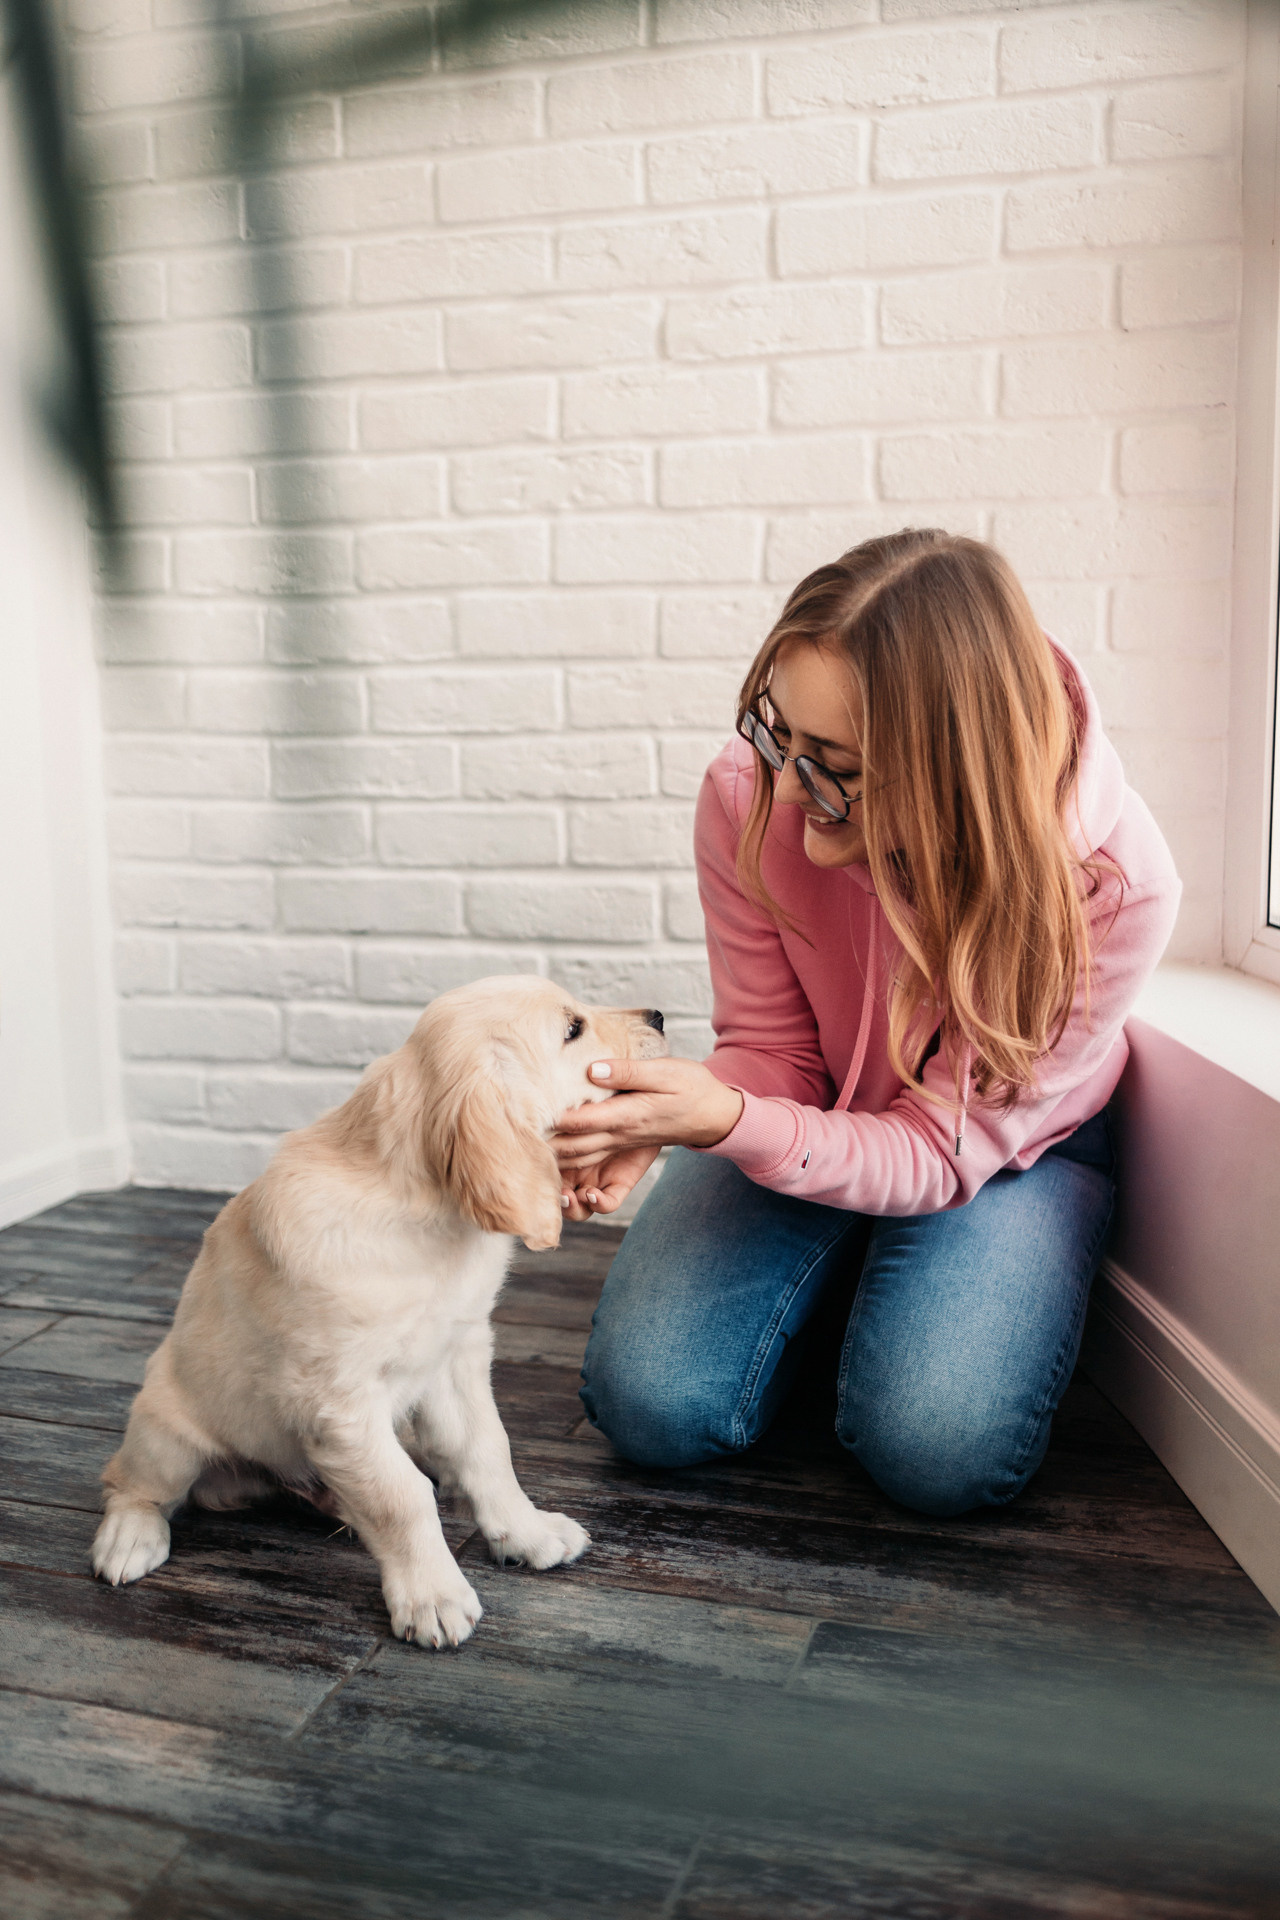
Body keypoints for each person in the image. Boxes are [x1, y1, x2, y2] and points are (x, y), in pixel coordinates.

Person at [552, 529, 1180, 1517]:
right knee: (648, 1408)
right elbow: (774, 1048)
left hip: (993, 1156)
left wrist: (727, 1128)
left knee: (934, 1453)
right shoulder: (745, 791)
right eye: (780, 736)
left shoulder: (1112, 890)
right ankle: (839, 1269)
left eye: (833, 765)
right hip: (818, 1107)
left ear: (949, 773)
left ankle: (860, 1282)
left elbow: (936, 1154)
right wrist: (684, 1114)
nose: (786, 787)